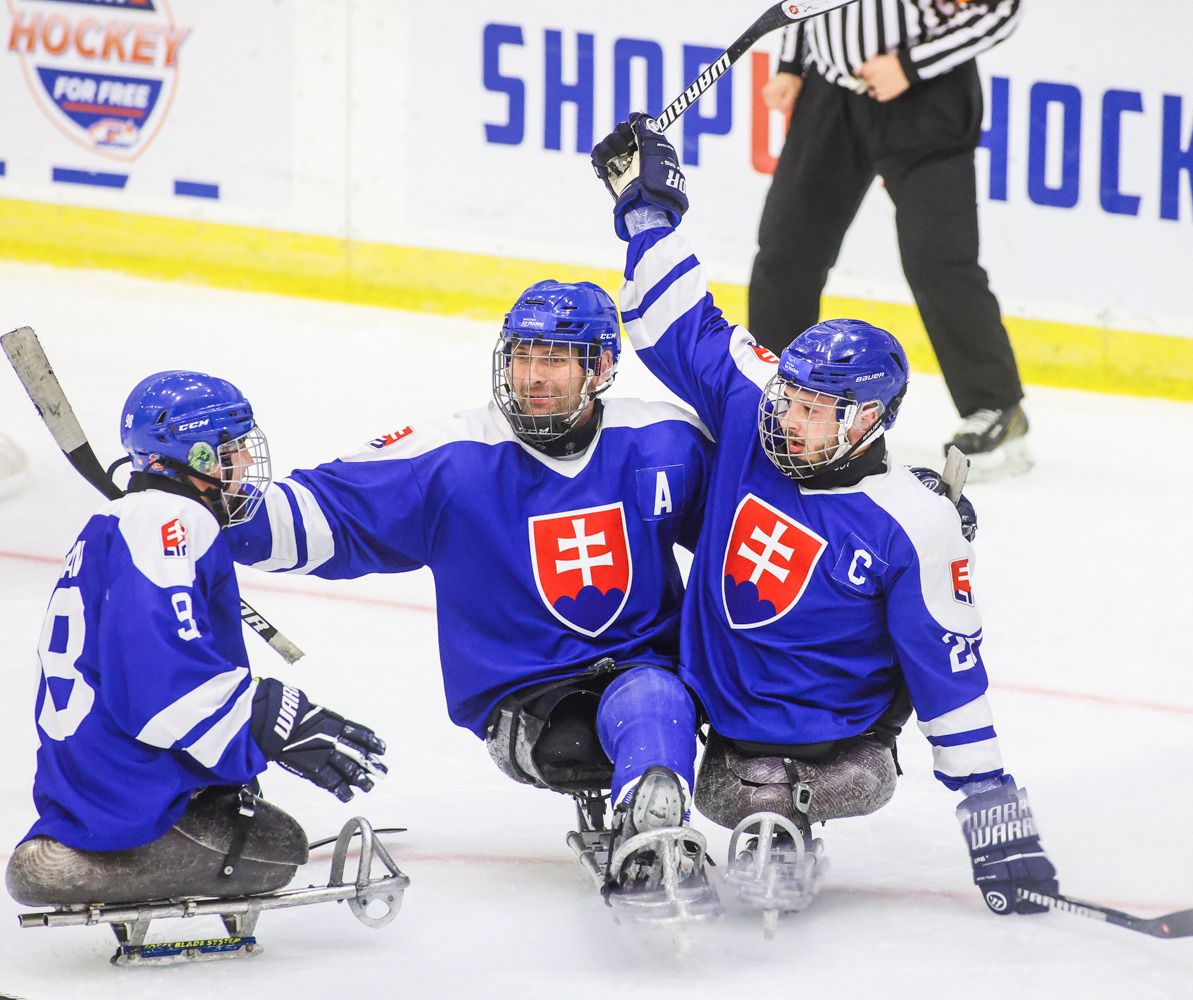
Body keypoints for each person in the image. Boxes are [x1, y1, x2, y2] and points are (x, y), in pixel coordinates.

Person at [591, 116, 1057, 917]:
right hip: (723, 738)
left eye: (816, 410)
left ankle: (790, 812)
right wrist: (646, 209)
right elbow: (678, 323)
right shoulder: (755, 402)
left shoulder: (913, 520)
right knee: (641, 689)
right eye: (792, 399)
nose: (790, 418)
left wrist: (992, 811)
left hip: (841, 756)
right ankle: (658, 816)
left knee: (798, 781)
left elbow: (947, 667)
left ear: (870, 421)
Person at [223, 281, 714, 899]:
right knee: (645, 698)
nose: (533, 376)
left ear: (602, 369)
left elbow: (752, 539)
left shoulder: (664, 441)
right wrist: (203, 503)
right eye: (522, 356)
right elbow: (320, 516)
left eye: (556, 359)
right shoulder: (452, 459)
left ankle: (655, 827)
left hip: (648, 676)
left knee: (652, 694)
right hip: (527, 701)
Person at [7, 371, 387, 908]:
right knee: (279, 848)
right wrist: (268, 718)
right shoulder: (173, 523)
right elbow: (159, 685)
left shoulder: (122, 521)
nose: (247, 466)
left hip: (93, 790)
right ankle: (124, 849)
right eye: (234, 450)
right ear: (202, 457)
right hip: (129, 810)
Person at [751, 0, 1032, 476]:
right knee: (786, 252)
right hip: (831, 92)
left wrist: (908, 65)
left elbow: (1001, 10)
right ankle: (770, 397)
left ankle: (996, 407)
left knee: (937, 259)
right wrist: (792, 63)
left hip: (926, 95)